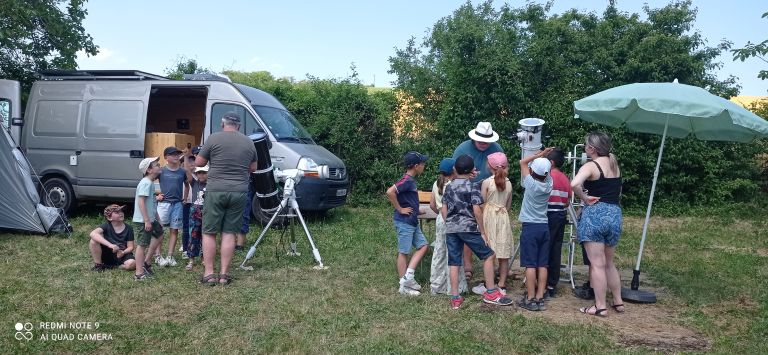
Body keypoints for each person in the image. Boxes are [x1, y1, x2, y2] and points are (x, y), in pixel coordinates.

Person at [442, 154, 513, 309]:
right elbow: (477, 210)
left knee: (454, 262)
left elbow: (444, 209)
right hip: (468, 228)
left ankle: (455, 298)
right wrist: (482, 231)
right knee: (489, 255)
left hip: (451, 229)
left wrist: (449, 222)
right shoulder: (472, 187)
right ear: (471, 171)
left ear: (455, 169)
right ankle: (491, 292)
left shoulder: (448, 187)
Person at [195, 112, 258, 286]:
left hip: (216, 190)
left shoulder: (214, 138)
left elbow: (199, 163)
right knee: (229, 232)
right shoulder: (249, 142)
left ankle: (209, 274)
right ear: (238, 126)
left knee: (209, 232)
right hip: (239, 191)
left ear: (223, 124)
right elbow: (253, 167)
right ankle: (224, 275)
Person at [571, 131, 625, 317]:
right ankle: (618, 301)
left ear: (592, 148)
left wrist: (584, 197)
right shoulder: (613, 161)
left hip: (595, 214)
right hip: (614, 213)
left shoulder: (590, 166)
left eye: (586, 145)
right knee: (609, 263)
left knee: (597, 264)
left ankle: (600, 306)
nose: (585, 148)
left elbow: (574, 184)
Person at [452, 121, 504, 281]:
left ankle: (493, 263)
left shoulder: (497, 149)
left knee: (489, 226)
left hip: (489, 192)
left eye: (486, 141)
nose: (483, 144)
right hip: (467, 193)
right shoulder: (462, 149)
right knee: (470, 227)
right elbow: (453, 173)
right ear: (474, 138)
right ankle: (467, 264)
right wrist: (466, 176)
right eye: (481, 141)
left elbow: (502, 171)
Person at [385, 151, 430, 296]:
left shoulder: (411, 181)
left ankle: (408, 277)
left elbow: (407, 199)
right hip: (404, 222)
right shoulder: (407, 180)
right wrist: (400, 209)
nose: (424, 166)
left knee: (423, 246)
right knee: (403, 252)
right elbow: (390, 192)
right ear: (416, 166)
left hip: (412, 220)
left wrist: (416, 210)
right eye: (422, 164)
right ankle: (403, 286)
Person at [517, 148, 554, 312]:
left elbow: (522, 162)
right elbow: (544, 171)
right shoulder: (549, 183)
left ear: (532, 171)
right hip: (544, 227)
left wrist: (539, 155)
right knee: (542, 264)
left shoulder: (530, 183)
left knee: (530, 265)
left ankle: (530, 298)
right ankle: (540, 297)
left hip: (530, 227)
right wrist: (543, 159)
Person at [428, 158, 468, 295]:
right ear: (454, 171)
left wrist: (439, 214)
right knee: (455, 252)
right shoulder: (455, 185)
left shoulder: (436, 183)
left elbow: (432, 205)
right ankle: (456, 287)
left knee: (439, 251)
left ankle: (437, 285)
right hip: (454, 220)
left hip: (441, 219)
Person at [479, 152, 513, 295]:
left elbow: (481, 203)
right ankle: (502, 284)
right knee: (503, 253)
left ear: (490, 166)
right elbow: (509, 205)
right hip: (503, 217)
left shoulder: (486, 182)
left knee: (489, 251)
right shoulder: (509, 183)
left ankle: (490, 282)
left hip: (489, 217)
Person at [545, 148, 572, 298]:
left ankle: (542, 281)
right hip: (561, 216)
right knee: (556, 249)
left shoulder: (548, 177)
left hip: (548, 216)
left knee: (545, 249)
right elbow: (568, 201)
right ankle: (552, 284)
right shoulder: (565, 178)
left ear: (551, 162)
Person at [132, 157, 164, 281]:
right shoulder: (145, 183)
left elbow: (151, 203)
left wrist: (157, 219)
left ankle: (146, 262)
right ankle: (139, 273)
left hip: (150, 219)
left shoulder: (150, 183)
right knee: (141, 245)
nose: (159, 165)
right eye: (156, 164)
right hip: (143, 220)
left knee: (160, 234)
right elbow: (141, 202)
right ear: (149, 170)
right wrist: (146, 220)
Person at [156, 146, 188, 267]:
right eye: (173, 154)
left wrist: (185, 198)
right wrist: (157, 195)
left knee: (174, 230)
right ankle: (158, 256)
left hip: (177, 204)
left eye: (177, 154)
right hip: (164, 204)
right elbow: (149, 182)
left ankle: (170, 255)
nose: (176, 156)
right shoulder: (161, 171)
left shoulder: (182, 171)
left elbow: (187, 185)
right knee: (159, 230)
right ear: (166, 157)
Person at [89, 204, 136, 272]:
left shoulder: (129, 228)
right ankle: (98, 265)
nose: (121, 213)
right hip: (108, 253)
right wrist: (110, 245)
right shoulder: (106, 226)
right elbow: (93, 233)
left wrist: (123, 252)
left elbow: (131, 247)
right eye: (117, 212)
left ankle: (115, 267)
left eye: (121, 211)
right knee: (93, 241)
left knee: (132, 264)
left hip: (122, 254)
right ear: (109, 218)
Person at [186, 165, 208, 270]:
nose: (201, 175)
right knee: (193, 235)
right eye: (199, 173)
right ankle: (191, 259)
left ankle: (204, 258)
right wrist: (186, 156)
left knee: (205, 236)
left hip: (207, 213)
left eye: (204, 172)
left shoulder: (212, 185)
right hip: (194, 213)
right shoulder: (194, 183)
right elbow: (188, 173)